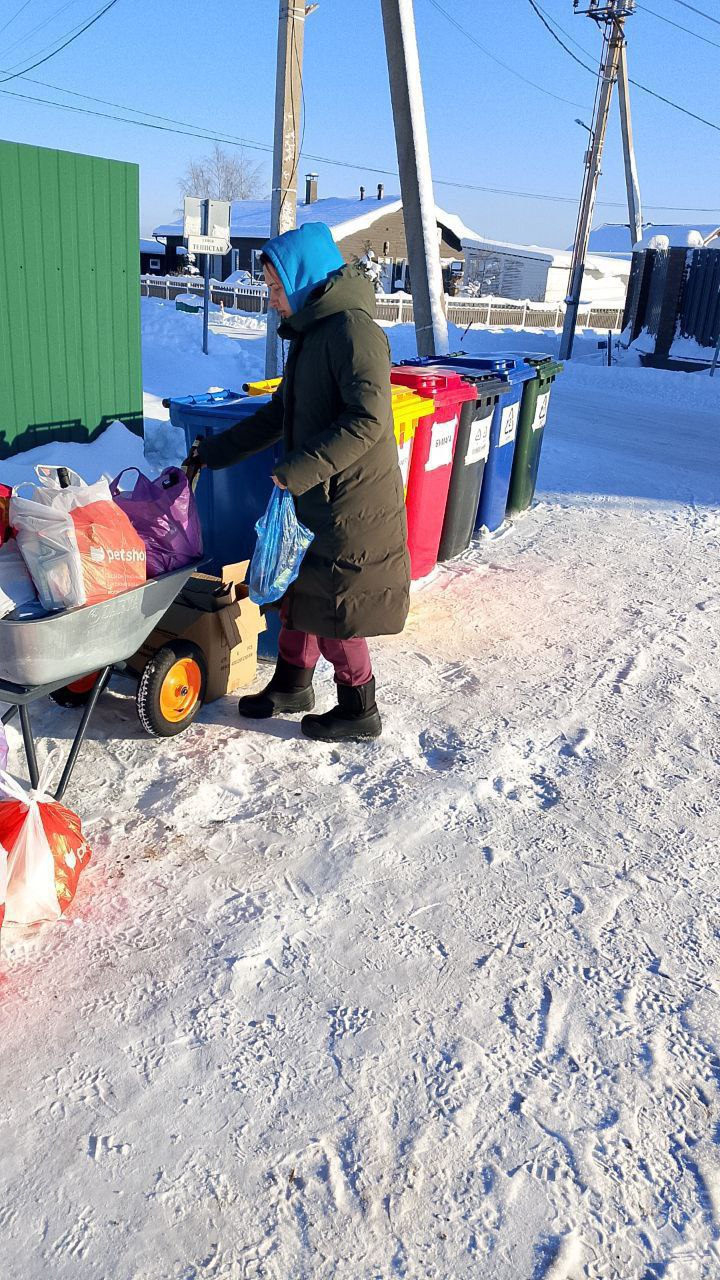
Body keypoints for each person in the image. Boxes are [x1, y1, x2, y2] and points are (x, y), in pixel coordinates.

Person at [184, 222, 410, 743]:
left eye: (275, 288)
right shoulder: (311, 334)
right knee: (297, 591)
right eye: (269, 288)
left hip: (349, 498)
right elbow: (279, 413)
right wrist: (214, 452)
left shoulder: (355, 332)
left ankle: (360, 707)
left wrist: (298, 469)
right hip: (314, 494)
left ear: (304, 279)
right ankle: (292, 684)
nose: (271, 300)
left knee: (336, 607)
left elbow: (368, 421)